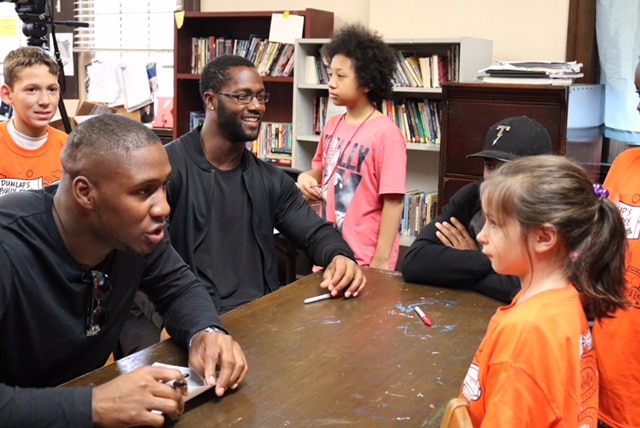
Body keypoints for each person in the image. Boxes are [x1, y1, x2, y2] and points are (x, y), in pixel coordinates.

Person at [0, 114, 247, 427]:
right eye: (144, 191)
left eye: (163, 186)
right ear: (84, 192)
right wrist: (95, 405)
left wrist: (206, 331)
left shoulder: (133, 234)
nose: (163, 208)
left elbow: (178, 287)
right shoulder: (8, 246)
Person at [118, 54, 367, 355]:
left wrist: (340, 256)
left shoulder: (270, 180)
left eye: (261, 97)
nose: (257, 107)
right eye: (243, 96)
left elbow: (315, 232)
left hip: (259, 321)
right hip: (187, 324)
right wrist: (172, 323)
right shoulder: (166, 171)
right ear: (211, 101)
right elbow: (138, 260)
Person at [459, 155, 627, 427]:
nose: (481, 235)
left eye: (496, 224)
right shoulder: (562, 298)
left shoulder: (526, 332)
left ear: (543, 237)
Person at [401, 116, 553, 302]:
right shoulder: (472, 197)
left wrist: (465, 266)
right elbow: (415, 262)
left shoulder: (550, 212)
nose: (494, 178)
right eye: (490, 166)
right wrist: (492, 262)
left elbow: (526, 289)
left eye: (508, 168)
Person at [297, 23, 407, 271]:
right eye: (330, 74)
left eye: (341, 76)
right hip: (328, 255)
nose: (331, 83)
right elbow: (320, 170)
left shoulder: (387, 135)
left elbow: (393, 203)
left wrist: (380, 263)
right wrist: (305, 178)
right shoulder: (332, 125)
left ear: (366, 82)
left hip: (366, 261)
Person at [592, 59, 640, 428]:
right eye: (639, 94)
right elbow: (600, 249)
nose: (638, 106)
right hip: (609, 372)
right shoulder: (625, 162)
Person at [0, 46, 67, 195]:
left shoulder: (69, 149)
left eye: (52, 89)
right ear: (7, 94)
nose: (45, 101)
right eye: (32, 90)